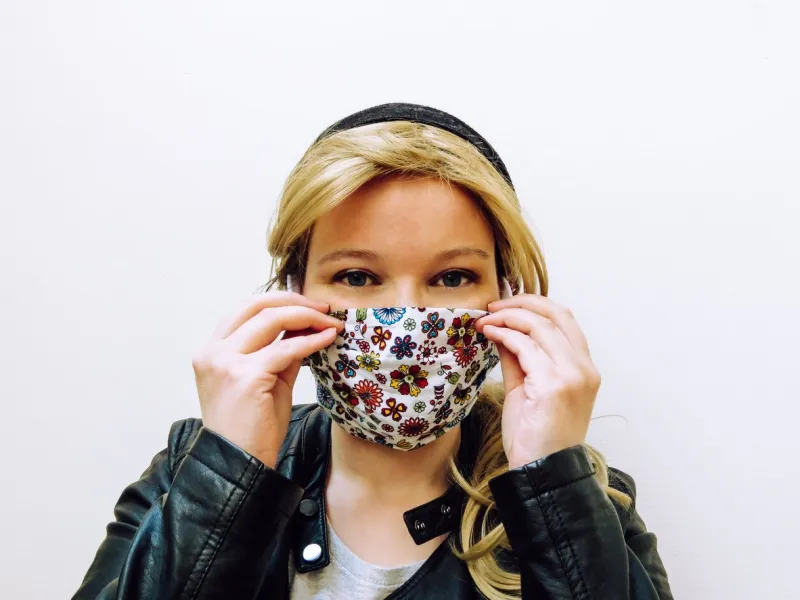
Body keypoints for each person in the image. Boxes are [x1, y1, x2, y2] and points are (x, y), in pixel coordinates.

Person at [72, 103, 673, 600]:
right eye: (358, 278)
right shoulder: (186, 470)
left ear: (506, 297)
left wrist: (553, 484)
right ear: (295, 295)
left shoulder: (590, 497)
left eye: (454, 277)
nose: (407, 323)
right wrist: (232, 468)